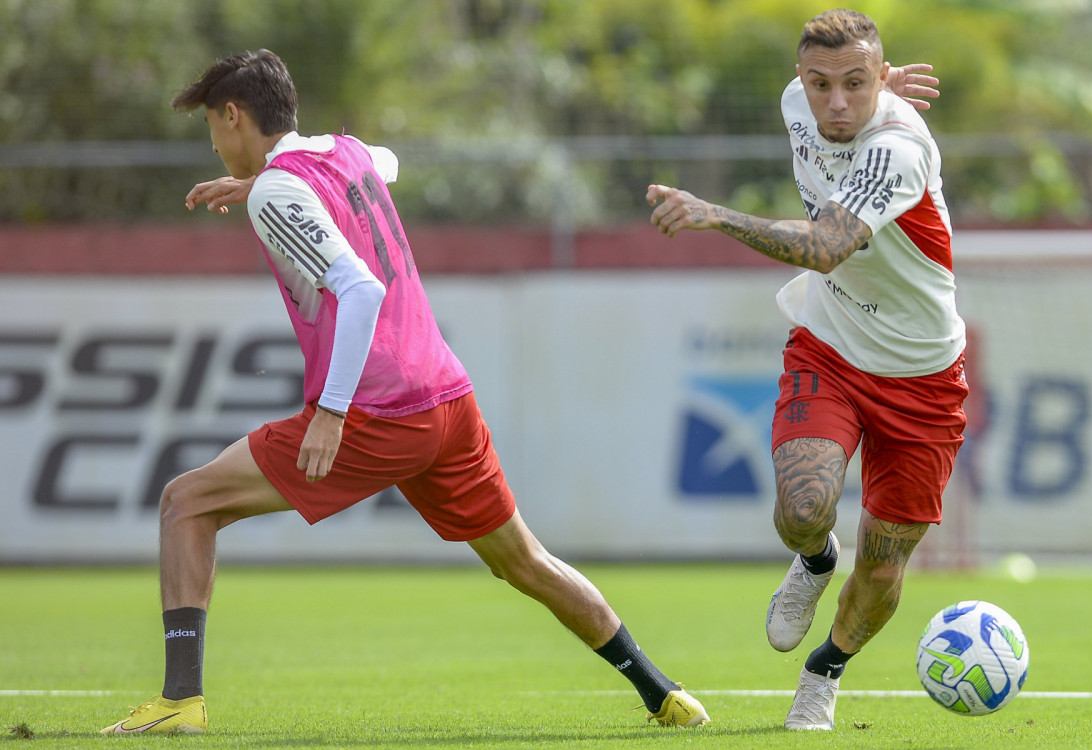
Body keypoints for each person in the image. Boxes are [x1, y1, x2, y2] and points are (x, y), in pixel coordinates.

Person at [102, 48, 708, 735]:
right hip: (448, 397)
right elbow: (386, 165)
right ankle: (663, 693)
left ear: (235, 116)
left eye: (212, 126)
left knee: (186, 503)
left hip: (379, 410)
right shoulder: (346, 151)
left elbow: (359, 289)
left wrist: (331, 410)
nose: (213, 142)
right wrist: (262, 185)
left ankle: (181, 702)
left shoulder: (278, 190)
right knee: (524, 561)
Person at [646, 9, 964, 732]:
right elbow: (836, 91)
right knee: (801, 512)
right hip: (830, 343)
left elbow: (825, 246)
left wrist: (711, 214)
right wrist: (865, 77)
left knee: (882, 572)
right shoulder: (801, 104)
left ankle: (825, 670)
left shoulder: (899, 152)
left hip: (923, 377)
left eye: (857, 85)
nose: (837, 103)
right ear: (800, 81)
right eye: (822, 84)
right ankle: (817, 562)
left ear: (883, 82)